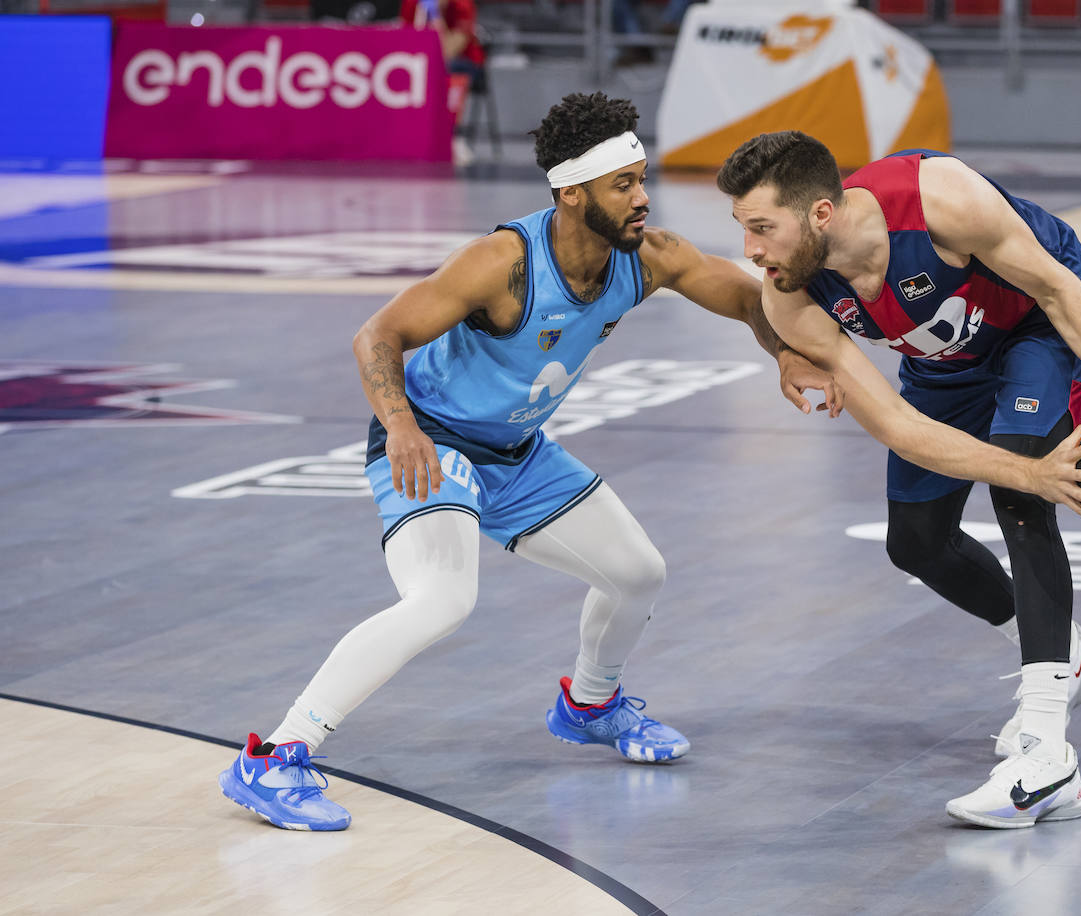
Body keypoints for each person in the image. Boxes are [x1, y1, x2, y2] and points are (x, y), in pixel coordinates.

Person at [217, 93, 848, 831]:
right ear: (573, 192)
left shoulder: (647, 258)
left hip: (517, 456)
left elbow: (750, 301)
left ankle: (589, 704)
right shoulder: (502, 265)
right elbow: (376, 336)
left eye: (642, 179)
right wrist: (400, 429)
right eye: (625, 185)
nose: (644, 198)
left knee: (638, 572)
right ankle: (275, 756)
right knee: (441, 600)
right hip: (432, 444)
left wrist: (783, 357)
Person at [715, 133, 1081, 828]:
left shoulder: (940, 200)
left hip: (1036, 325)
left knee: (1025, 496)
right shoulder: (790, 297)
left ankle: (1046, 755)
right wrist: (1028, 467)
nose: (753, 250)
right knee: (915, 542)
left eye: (763, 229)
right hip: (943, 359)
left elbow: (1058, 290)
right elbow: (899, 428)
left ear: (821, 214)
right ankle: (1073, 654)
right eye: (744, 231)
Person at [400, 0, 487, 92]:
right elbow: (406, 43)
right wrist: (420, 16)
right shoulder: (411, 3)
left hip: (465, 61)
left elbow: (449, 51)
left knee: (437, 68)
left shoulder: (462, 4)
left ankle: (434, 104)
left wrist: (436, 16)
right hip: (425, 60)